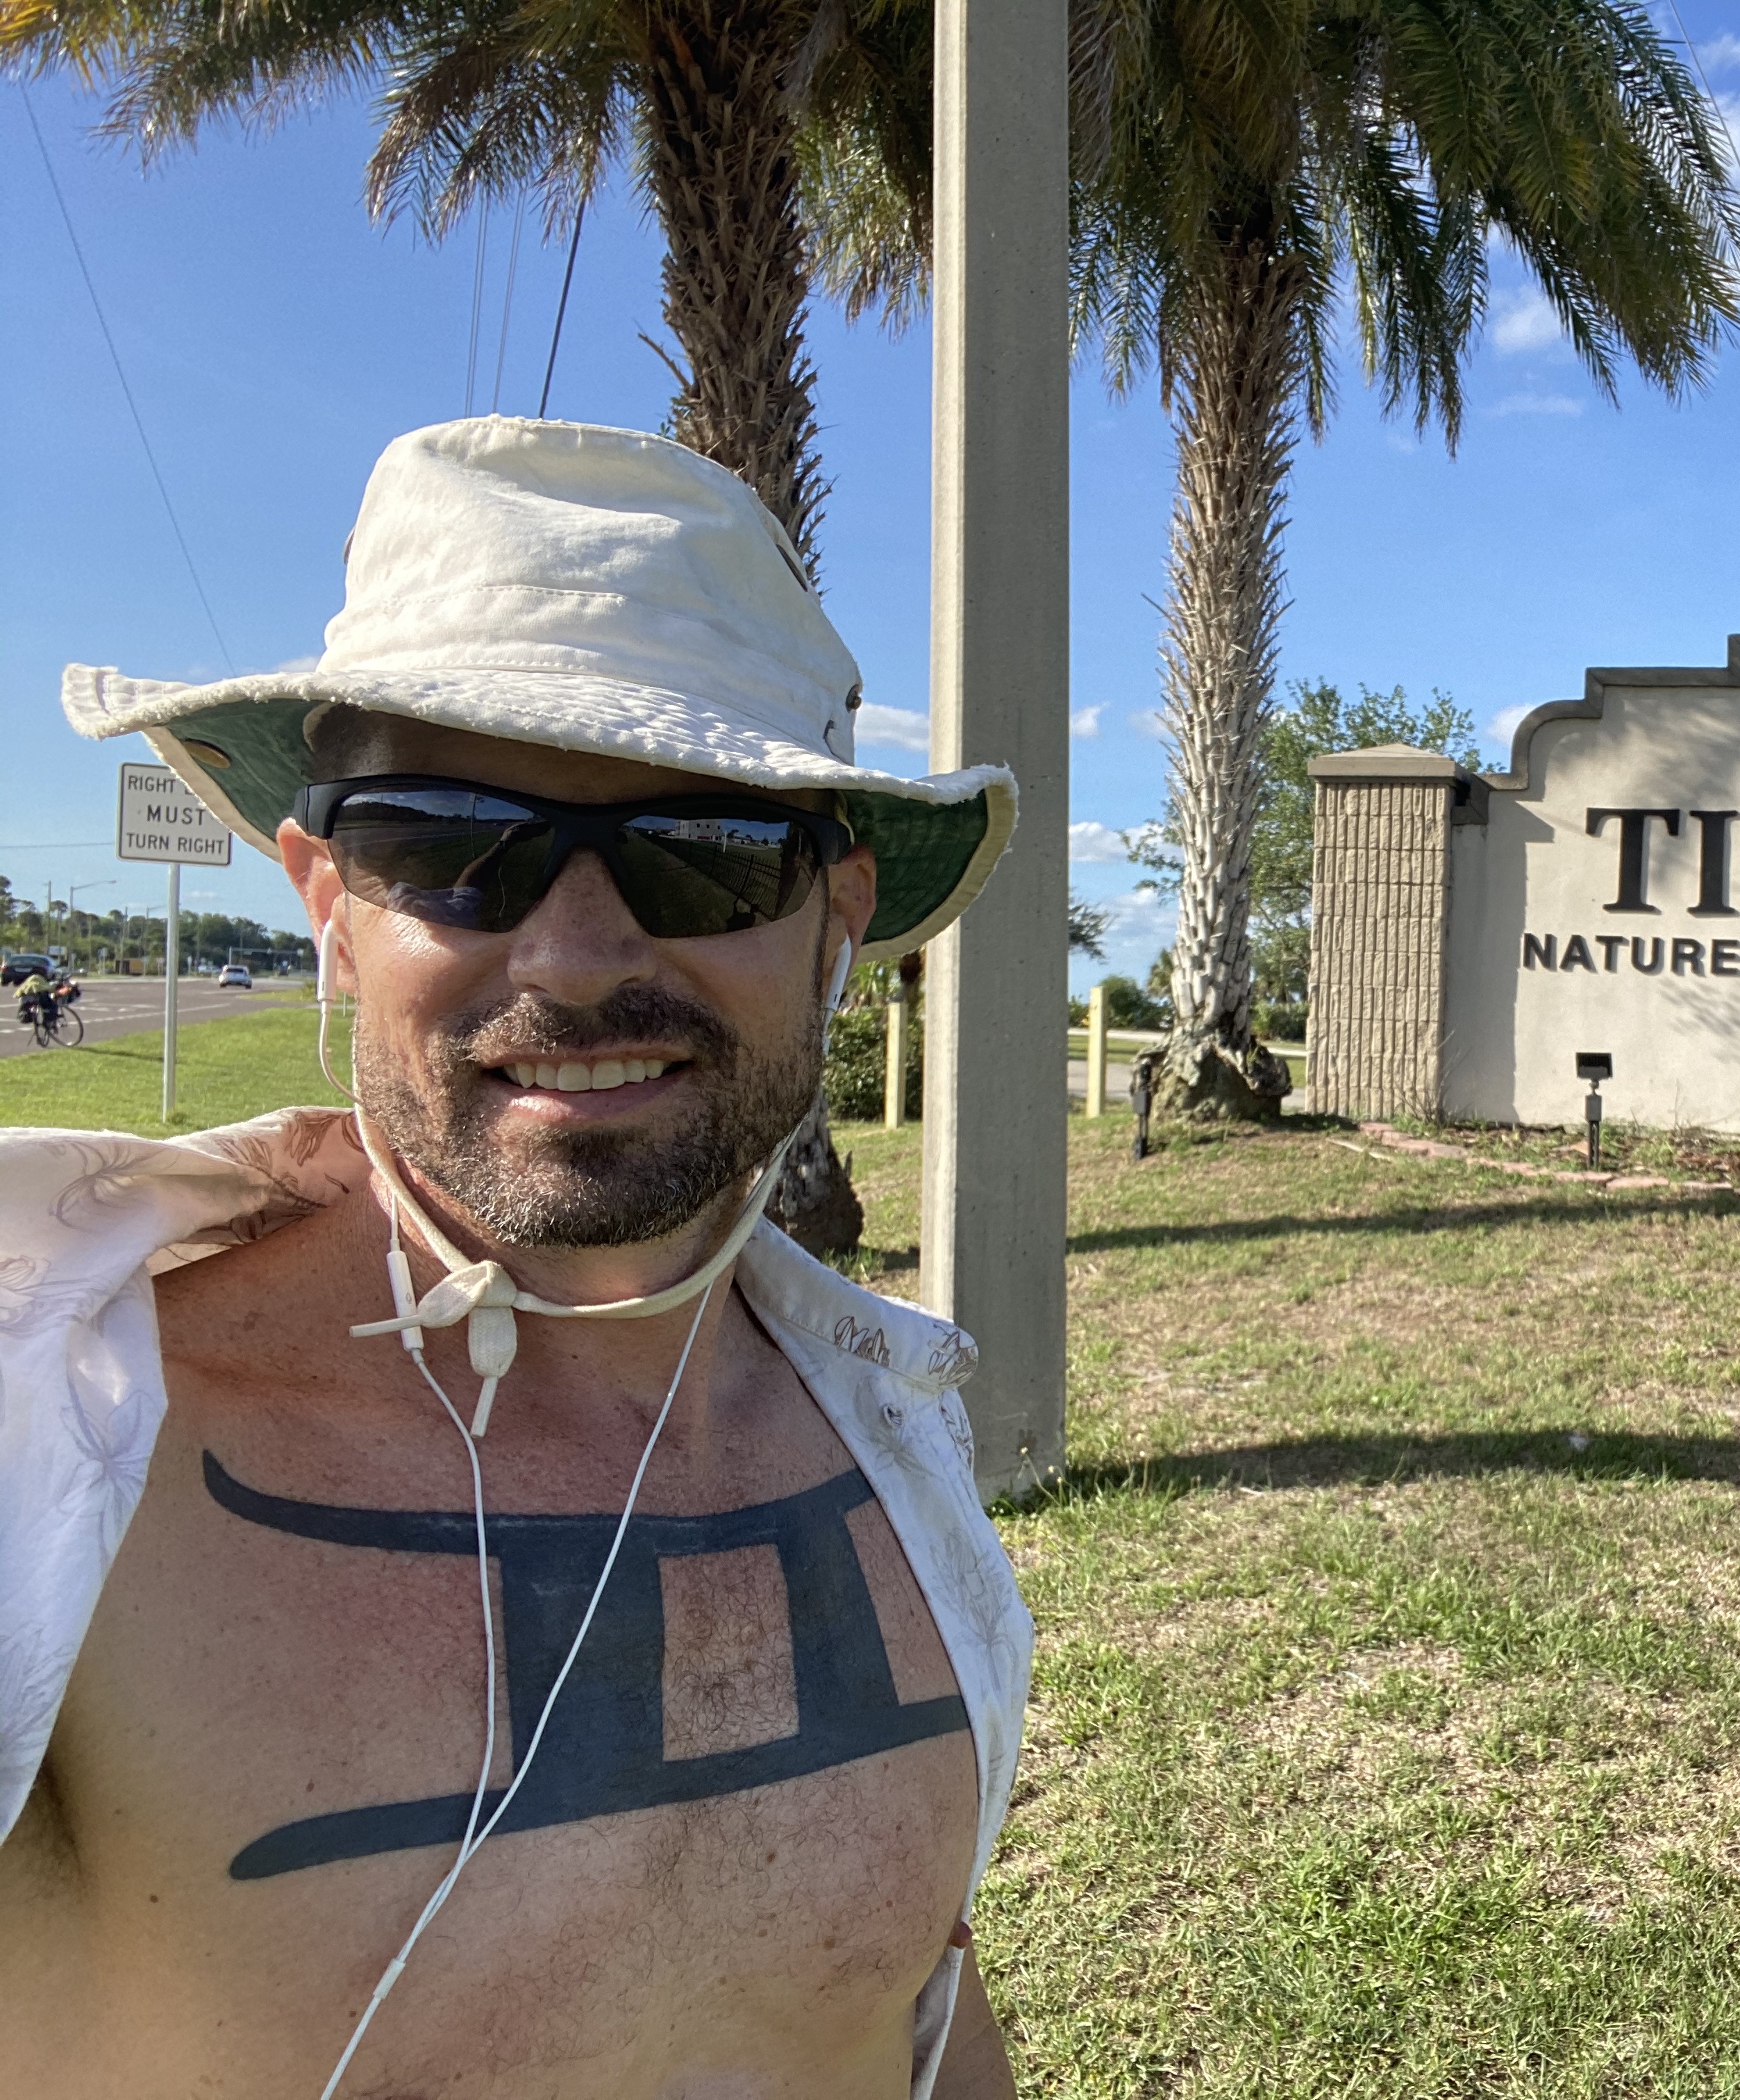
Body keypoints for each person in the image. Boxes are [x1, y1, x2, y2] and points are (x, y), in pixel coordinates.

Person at [1, 419, 1030, 2097]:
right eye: (445, 845)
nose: (573, 955)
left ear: (836, 920)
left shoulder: (892, 1439)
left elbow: (910, 2002)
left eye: (705, 851)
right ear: (329, 901)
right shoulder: (59, 1455)